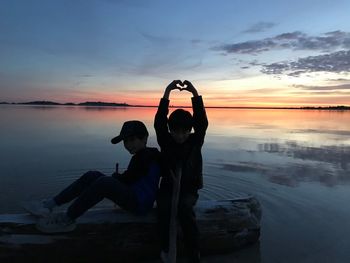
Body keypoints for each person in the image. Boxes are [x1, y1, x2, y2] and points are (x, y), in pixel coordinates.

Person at [25, 120, 161, 233]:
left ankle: (67, 218)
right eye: (125, 141)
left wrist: (115, 178)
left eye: (132, 140)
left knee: (104, 182)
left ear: (144, 138)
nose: (128, 145)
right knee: (93, 175)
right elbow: (131, 178)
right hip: (133, 195)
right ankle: (49, 204)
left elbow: (129, 178)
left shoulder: (147, 157)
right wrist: (117, 179)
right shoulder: (143, 155)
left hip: (139, 204)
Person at [154, 80, 208, 262]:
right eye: (176, 131)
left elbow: (201, 121)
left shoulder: (195, 142)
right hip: (168, 188)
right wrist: (167, 91)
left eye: (185, 131)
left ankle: (194, 253)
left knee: (185, 208)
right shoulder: (166, 141)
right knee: (164, 209)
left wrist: (194, 93)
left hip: (189, 189)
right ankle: (165, 249)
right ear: (170, 130)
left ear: (190, 130)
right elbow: (159, 122)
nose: (180, 136)